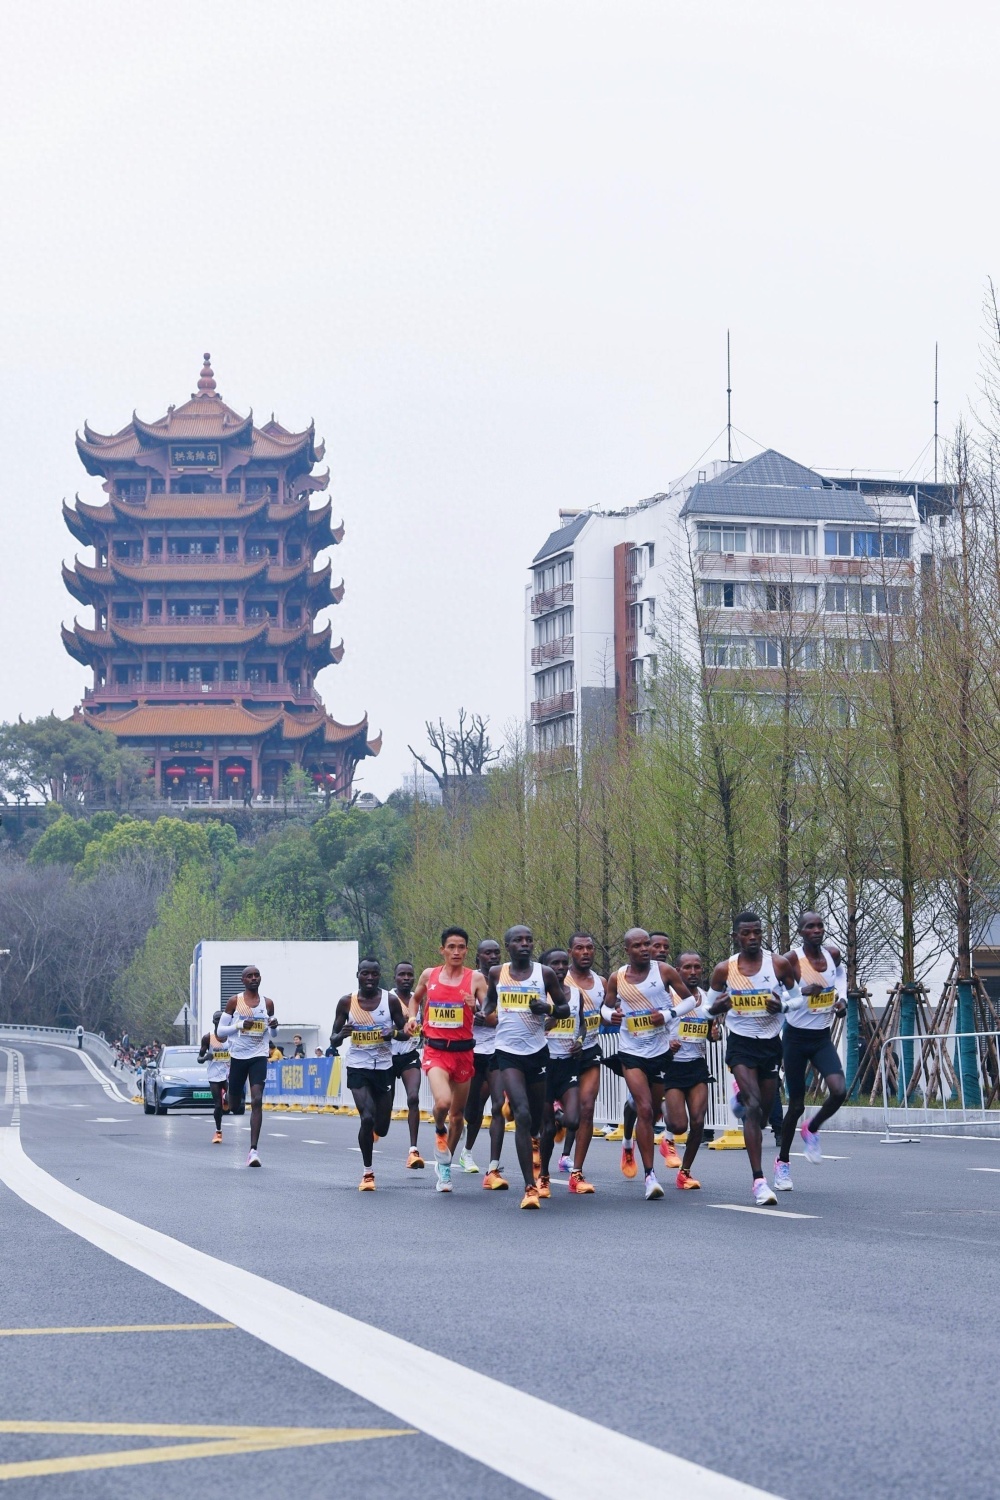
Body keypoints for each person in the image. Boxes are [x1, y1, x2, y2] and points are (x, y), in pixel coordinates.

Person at [706, 911, 799, 1206]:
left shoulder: (778, 964)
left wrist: (781, 1005)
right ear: (736, 937)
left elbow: (799, 1000)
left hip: (770, 1043)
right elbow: (708, 1007)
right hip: (741, 1044)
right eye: (746, 933)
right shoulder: (725, 970)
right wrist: (718, 1005)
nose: (752, 938)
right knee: (755, 1104)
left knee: (763, 1112)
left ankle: (742, 1103)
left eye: (757, 932)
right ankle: (759, 1181)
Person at [603, 929, 698, 1200]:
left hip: (659, 1051)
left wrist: (668, 1014)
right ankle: (650, 1176)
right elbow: (605, 1008)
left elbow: (689, 998)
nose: (644, 949)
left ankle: (629, 1139)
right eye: (637, 945)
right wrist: (613, 1015)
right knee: (645, 1108)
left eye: (647, 944)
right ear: (627, 950)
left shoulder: (664, 971)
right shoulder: (617, 977)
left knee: (654, 1110)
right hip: (631, 1050)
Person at [482, 926, 569, 1209]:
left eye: (529, 940)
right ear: (508, 946)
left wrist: (548, 1009)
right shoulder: (498, 973)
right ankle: (529, 1188)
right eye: (518, 940)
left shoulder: (543, 974)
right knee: (521, 1113)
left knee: (537, 1119)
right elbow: (490, 1002)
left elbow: (564, 1008)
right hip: (507, 1052)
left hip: (537, 1052)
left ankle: (540, 1164)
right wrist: (480, 1012)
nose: (524, 944)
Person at [774, 912, 849, 1190]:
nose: (816, 930)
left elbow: (840, 978)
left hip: (821, 1037)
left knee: (839, 1090)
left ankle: (812, 1128)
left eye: (819, 926)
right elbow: (774, 996)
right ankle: (782, 1164)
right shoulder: (790, 960)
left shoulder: (832, 954)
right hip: (794, 1038)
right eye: (810, 927)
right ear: (801, 932)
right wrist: (800, 993)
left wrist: (841, 1001)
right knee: (796, 1105)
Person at [408, 927, 487, 1192]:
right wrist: (411, 1018)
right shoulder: (429, 975)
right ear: (442, 949)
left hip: (464, 1052)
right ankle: (439, 1130)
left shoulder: (475, 979)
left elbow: (491, 1013)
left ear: (467, 950)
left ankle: (444, 1168)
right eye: (451, 947)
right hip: (436, 1050)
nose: (456, 952)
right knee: (443, 1103)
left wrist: (476, 1007)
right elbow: (415, 999)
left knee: (458, 1116)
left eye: (461, 947)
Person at [330, 958, 406, 1191]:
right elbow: (333, 1039)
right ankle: (368, 1173)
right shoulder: (347, 1002)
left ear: (379, 975)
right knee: (367, 1117)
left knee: (381, 1127)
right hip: (358, 1065)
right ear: (358, 975)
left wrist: (392, 1033)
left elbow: (405, 1033)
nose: (370, 978)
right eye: (365, 974)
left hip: (384, 1067)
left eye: (374, 974)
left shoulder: (390, 1001)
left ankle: (373, 1133)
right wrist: (342, 1034)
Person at [663, 953, 718, 1189]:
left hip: (696, 1065)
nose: (693, 971)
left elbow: (709, 1029)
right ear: (677, 970)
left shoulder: (706, 998)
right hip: (672, 1066)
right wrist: (667, 1041)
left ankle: (685, 1171)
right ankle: (660, 1106)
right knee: (678, 1126)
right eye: (687, 967)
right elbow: (654, 1026)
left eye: (697, 967)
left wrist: (715, 1034)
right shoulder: (668, 997)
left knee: (698, 1122)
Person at [558, 932, 605, 1194]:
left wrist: (615, 1015)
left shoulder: (601, 982)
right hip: (559, 1055)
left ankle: (576, 1173)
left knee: (587, 1109)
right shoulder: (557, 979)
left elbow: (607, 1011)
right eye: (579, 948)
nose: (585, 952)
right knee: (559, 1115)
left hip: (588, 1051)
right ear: (570, 952)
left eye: (589, 948)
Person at [217, 966, 279, 1167]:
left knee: (257, 1099)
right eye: (249, 976)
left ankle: (253, 1151)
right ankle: (227, 1096)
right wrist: (239, 1026)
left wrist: (274, 1026)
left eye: (256, 975)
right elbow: (220, 1032)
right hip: (238, 1056)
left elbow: (273, 1036)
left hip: (259, 1055)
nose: (254, 978)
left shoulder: (267, 1003)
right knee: (234, 1106)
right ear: (243, 980)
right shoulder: (235, 1001)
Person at [460, 938, 509, 1189]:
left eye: (497, 953)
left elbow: (509, 1016)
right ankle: (466, 1151)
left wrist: (491, 1020)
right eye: (488, 953)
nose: (493, 957)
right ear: (478, 957)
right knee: (474, 1109)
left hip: (498, 1051)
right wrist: (473, 1019)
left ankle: (493, 1165)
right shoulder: (468, 982)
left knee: (498, 1105)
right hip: (472, 1051)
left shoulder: (507, 981)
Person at [537, 949, 582, 1199]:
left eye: (564, 963)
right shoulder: (535, 995)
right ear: (544, 967)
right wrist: (549, 1021)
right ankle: (543, 1176)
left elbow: (582, 1023)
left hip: (567, 1064)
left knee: (574, 1119)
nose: (561, 967)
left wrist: (581, 1040)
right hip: (543, 1064)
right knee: (547, 1130)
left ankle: (557, 1113)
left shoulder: (575, 994)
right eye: (555, 963)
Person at [649, 931, 681, 1169]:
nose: (661, 950)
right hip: (643, 1055)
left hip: (673, 1056)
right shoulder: (635, 981)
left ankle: (668, 1140)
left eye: (665, 946)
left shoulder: (675, 981)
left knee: (673, 1105)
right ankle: (628, 1142)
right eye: (656, 946)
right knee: (638, 1106)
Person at [390, 960, 425, 1169]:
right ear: (395, 977)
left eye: (410, 975)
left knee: (413, 1098)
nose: (406, 978)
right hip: (386, 1056)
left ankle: (413, 1150)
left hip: (409, 1055)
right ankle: (377, 1126)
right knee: (382, 1110)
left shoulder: (418, 1000)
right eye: (402, 974)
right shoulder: (387, 998)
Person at [197, 1009, 231, 1145]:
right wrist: (206, 1057)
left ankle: (226, 1098)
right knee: (218, 1106)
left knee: (232, 1099)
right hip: (214, 1076)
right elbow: (199, 1058)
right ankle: (218, 1131)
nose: (219, 1022)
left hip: (228, 1073)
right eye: (217, 1020)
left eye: (222, 1020)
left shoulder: (232, 1037)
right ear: (214, 1022)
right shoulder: (208, 1038)